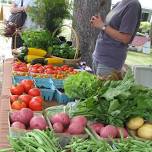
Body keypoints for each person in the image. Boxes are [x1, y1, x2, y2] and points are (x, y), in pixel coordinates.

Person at [90, 0, 141, 77]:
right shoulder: (119, 3)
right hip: (98, 56)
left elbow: (125, 38)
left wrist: (102, 26)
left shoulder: (133, 5)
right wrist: (98, 23)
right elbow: (109, 28)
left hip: (109, 61)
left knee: (102, 89)